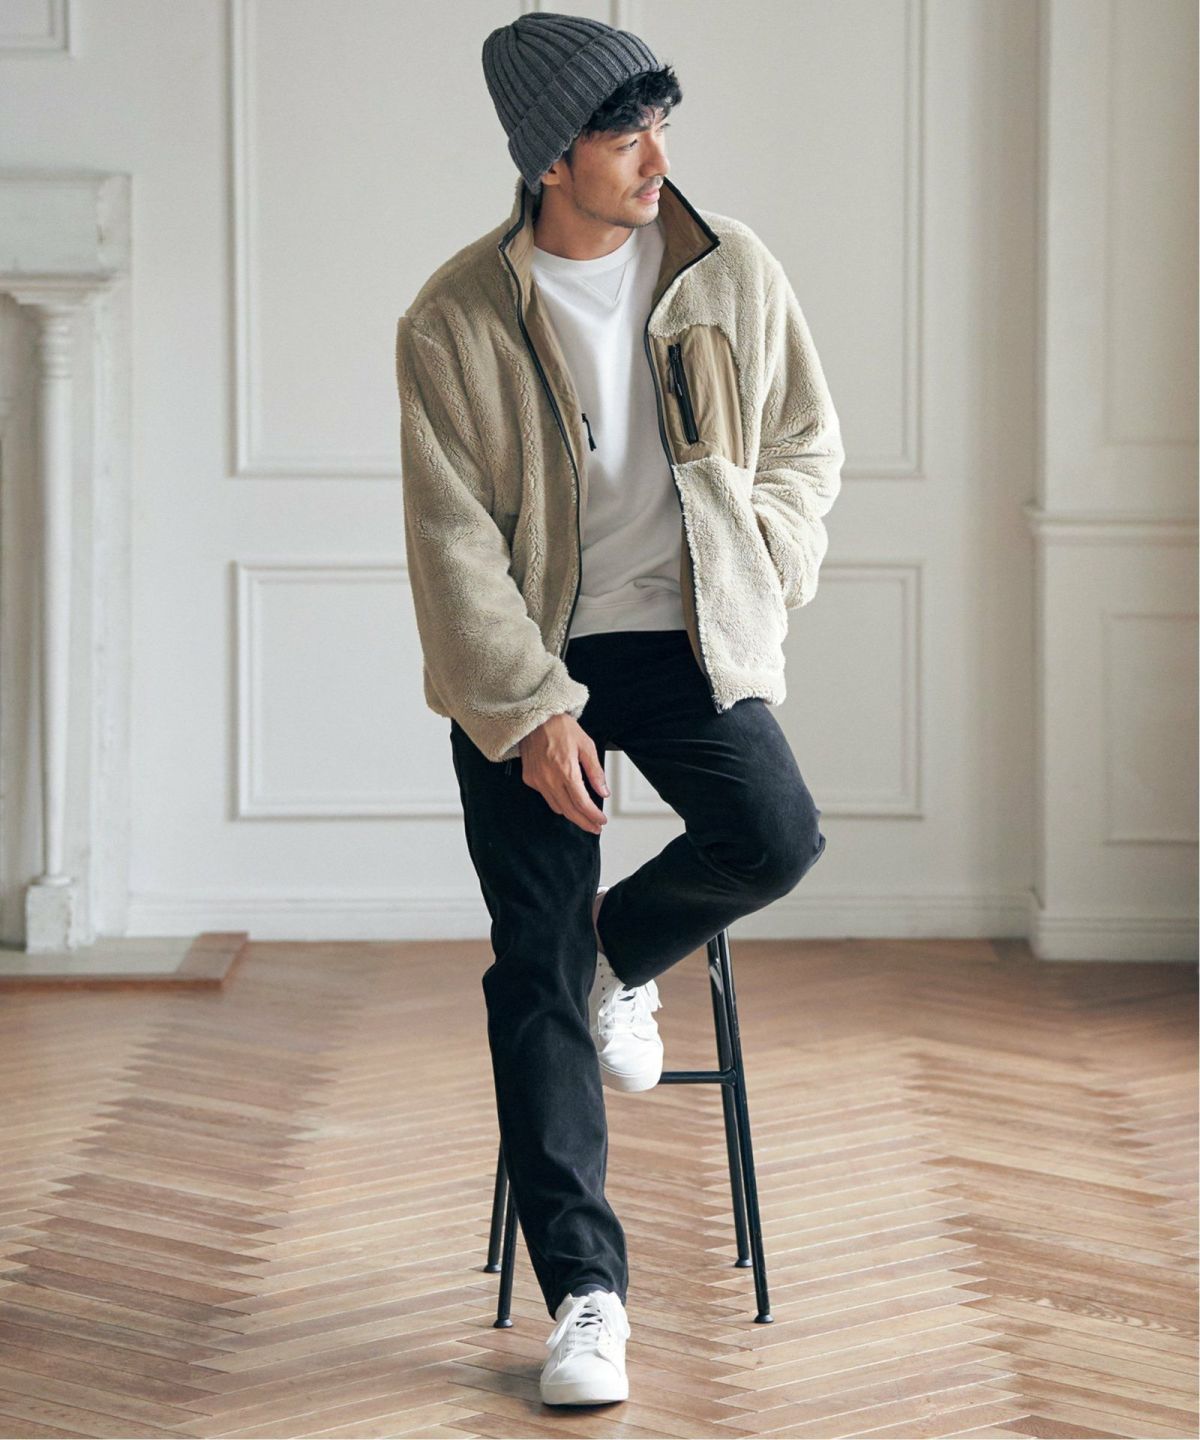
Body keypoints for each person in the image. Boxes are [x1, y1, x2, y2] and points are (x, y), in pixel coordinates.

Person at [394, 9, 844, 1409]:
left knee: (774, 835)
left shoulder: (727, 269)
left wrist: (763, 555)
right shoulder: (454, 319)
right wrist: (533, 710)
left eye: (662, 125)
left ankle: (623, 951)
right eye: (625, 134)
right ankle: (587, 1298)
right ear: (550, 158)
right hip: (534, 654)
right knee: (528, 966)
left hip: (686, 634)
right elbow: (453, 545)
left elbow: (805, 442)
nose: (658, 157)